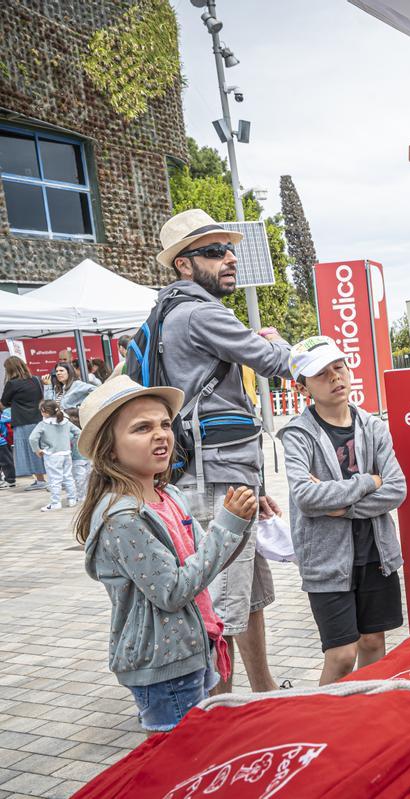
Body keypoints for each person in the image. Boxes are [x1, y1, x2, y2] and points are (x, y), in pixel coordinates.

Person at [155, 208, 294, 695]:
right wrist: (277, 340)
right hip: (217, 479)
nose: (230, 258)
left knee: (247, 595)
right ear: (185, 265)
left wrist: (254, 487)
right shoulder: (201, 313)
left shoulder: (173, 311)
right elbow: (276, 362)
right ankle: (223, 711)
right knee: (224, 603)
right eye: (214, 252)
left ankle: (262, 689)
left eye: (229, 249)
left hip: (220, 474)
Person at [77, 375, 255, 733]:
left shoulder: (170, 495)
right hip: (165, 663)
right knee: (178, 765)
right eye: (142, 428)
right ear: (109, 449)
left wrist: (243, 519)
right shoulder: (123, 518)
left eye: (164, 424)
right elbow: (172, 591)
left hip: (192, 648)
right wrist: (228, 524)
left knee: (199, 756)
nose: (161, 434)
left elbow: (207, 559)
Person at [279, 336, 407, 684]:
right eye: (321, 373)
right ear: (303, 385)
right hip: (326, 559)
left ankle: (364, 717)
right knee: (341, 654)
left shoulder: (373, 426)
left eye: (339, 367)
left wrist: (344, 508)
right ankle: (326, 721)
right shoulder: (297, 434)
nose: (335, 377)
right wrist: (368, 481)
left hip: (374, 551)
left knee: (373, 643)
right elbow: (306, 496)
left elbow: (396, 488)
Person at [1, 356, 48, 490]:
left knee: (29, 451)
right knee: (39, 448)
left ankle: (40, 481)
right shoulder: (36, 380)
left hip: (22, 421)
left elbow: (3, 403)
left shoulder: (12, 384)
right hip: (39, 419)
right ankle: (43, 479)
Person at [28, 399, 80, 512]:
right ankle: (72, 499)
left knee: (55, 479)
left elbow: (32, 438)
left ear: (44, 411)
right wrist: (69, 441)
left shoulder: (43, 424)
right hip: (66, 453)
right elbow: (78, 433)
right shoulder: (66, 422)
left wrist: (37, 450)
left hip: (52, 455)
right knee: (68, 477)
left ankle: (56, 502)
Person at [64, 406, 91, 494]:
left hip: (76, 459)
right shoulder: (86, 429)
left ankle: (81, 497)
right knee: (87, 478)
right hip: (88, 457)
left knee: (80, 479)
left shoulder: (70, 432)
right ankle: (87, 495)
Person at [0, 407, 14, 489]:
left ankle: (10, 480)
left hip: (2, 443)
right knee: (6, 462)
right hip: (3, 442)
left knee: (6, 462)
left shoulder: (4, 415)